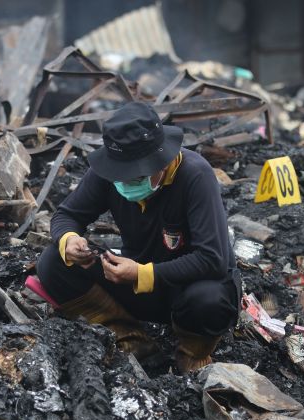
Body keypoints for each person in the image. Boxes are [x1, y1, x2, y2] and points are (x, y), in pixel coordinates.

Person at [36, 102, 241, 373]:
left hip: (186, 291)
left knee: (209, 299)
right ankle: (132, 342)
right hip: (138, 286)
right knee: (53, 262)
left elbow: (212, 259)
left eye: (137, 175)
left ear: (163, 161)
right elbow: (66, 215)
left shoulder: (195, 175)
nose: (127, 182)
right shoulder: (108, 173)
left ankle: (192, 356)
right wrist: (69, 239)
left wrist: (143, 274)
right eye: (122, 176)